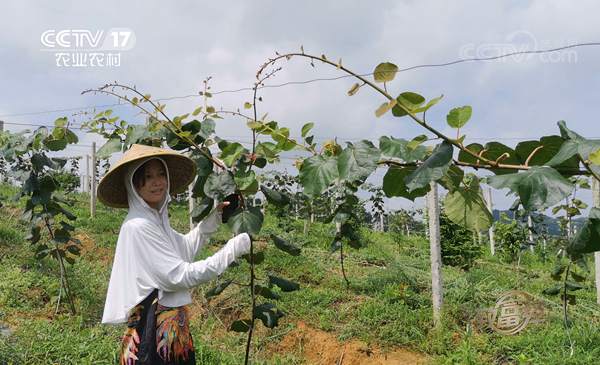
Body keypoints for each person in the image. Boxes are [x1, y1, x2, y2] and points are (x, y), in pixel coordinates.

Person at [98, 144, 251, 364]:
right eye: (147, 176)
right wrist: (231, 250)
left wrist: (215, 218)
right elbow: (179, 276)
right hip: (156, 328)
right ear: (133, 184)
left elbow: (184, 249)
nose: (157, 182)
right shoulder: (139, 226)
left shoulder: (155, 220)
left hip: (170, 325)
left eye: (161, 174)